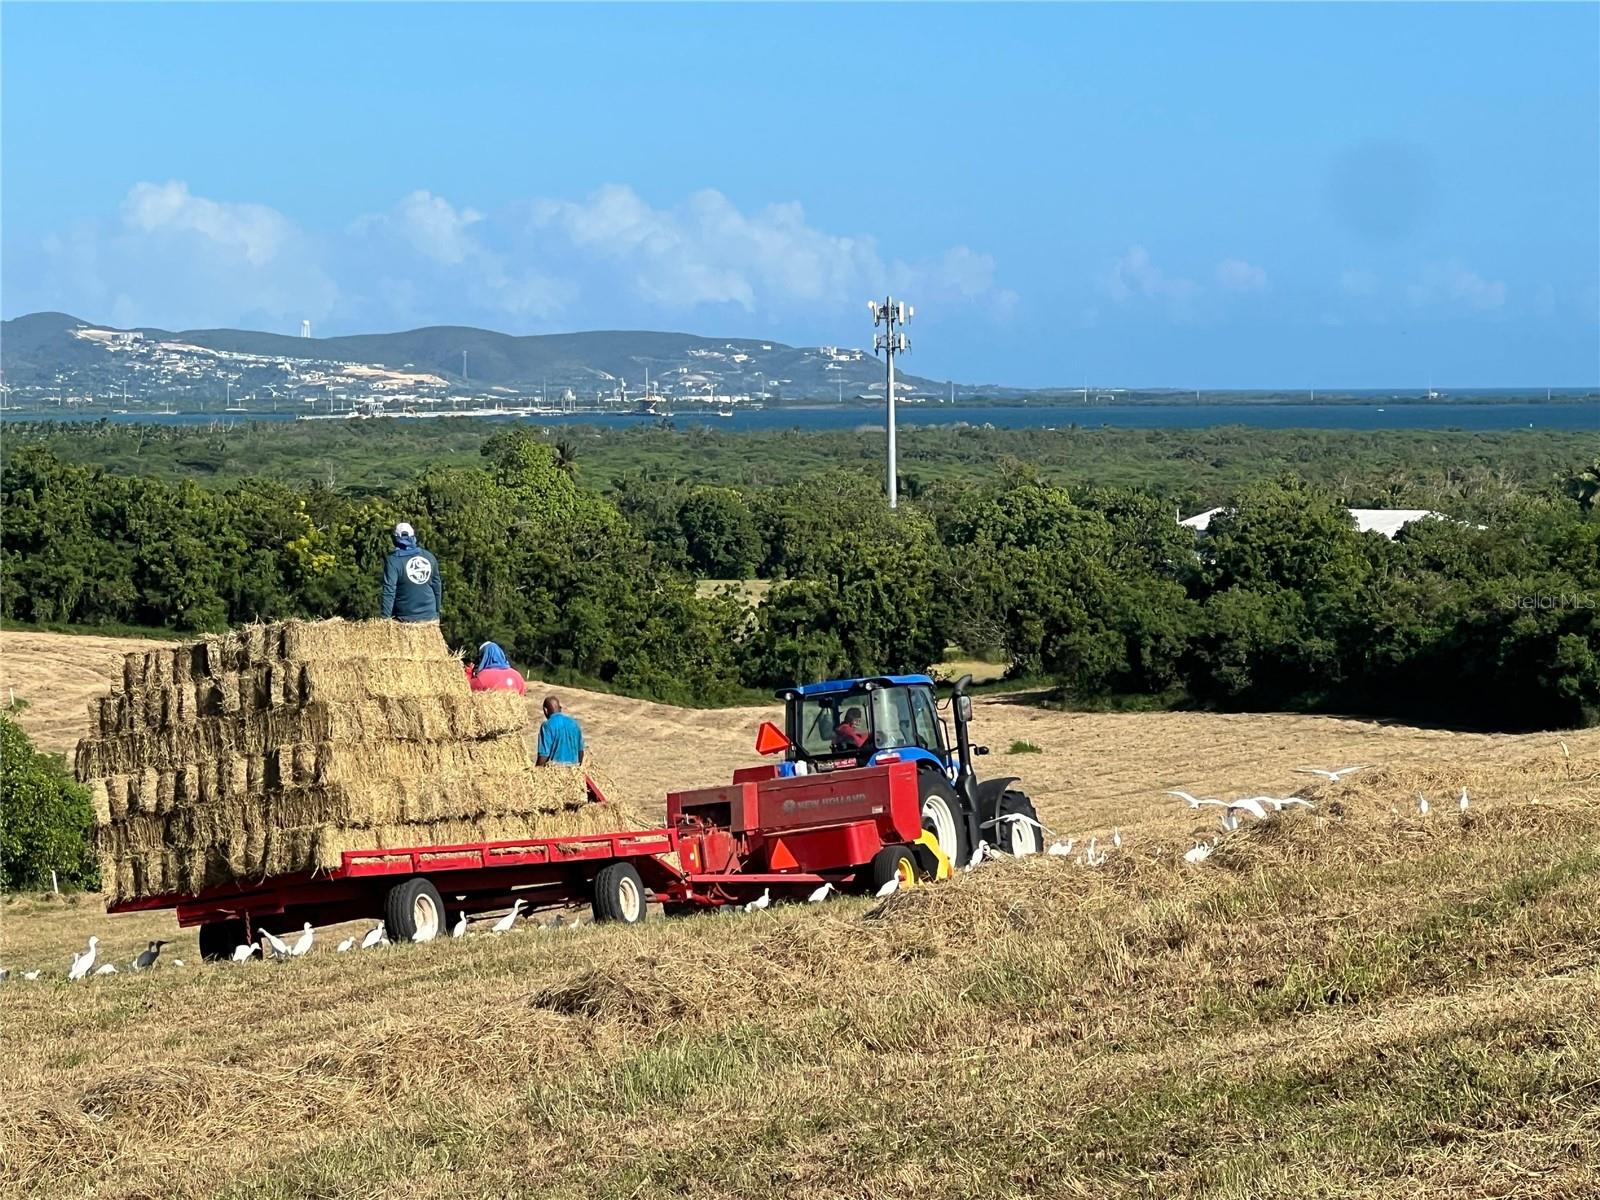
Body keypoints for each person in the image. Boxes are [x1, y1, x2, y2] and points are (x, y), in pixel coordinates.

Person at [380, 521, 441, 622]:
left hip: (405, 618)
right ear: (413, 537)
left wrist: (385, 619)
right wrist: (437, 612)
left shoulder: (393, 561)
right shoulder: (429, 556)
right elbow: (437, 586)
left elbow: (389, 591)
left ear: (395, 539)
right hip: (430, 616)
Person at [537, 695, 584, 766]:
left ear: (545, 710)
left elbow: (544, 755)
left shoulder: (547, 725)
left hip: (556, 771)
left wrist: (535, 772)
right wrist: (578, 768)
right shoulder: (574, 723)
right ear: (560, 708)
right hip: (574, 771)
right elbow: (580, 751)